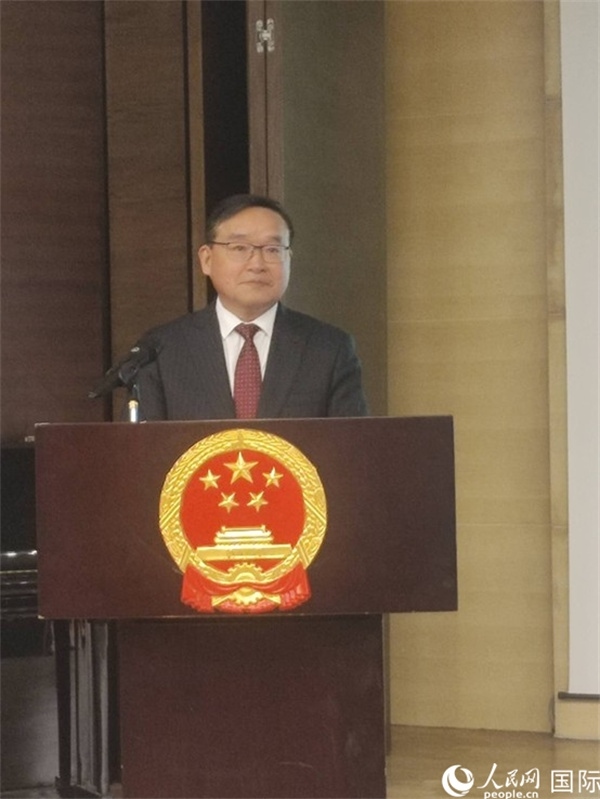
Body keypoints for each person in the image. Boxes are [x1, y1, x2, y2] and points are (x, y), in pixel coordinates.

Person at [134, 194, 368, 420]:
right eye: (239, 248)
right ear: (207, 259)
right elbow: (143, 443)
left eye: (272, 250)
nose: (257, 264)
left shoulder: (329, 349)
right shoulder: (162, 349)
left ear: (289, 258)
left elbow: (351, 442)